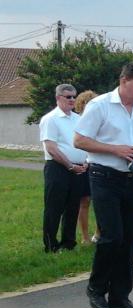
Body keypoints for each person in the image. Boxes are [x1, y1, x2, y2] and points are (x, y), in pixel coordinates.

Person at [74, 62, 133, 308]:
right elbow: (79, 140)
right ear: (124, 81)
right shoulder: (100, 105)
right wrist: (115, 149)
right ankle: (96, 289)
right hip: (104, 176)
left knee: (129, 238)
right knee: (112, 235)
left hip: (132, 179)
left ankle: (120, 295)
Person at [39, 84, 88, 252]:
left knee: (73, 207)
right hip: (58, 168)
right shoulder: (51, 119)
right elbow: (51, 148)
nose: (72, 100)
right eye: (68, 97)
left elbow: (83, 142)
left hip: (78, 168)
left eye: (74, 96)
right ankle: (50, 244)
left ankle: (68, 243)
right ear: (58, 98)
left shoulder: (77, 119)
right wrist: (70, 166)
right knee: (54, 207)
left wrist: (86, 160)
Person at [74, 90, 99, 244]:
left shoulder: (101, 121)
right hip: (82, 165)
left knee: (100, 202)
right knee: (84, 201)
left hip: (96, 164)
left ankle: (98, 233)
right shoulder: (77, 121)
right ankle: (85, 237)